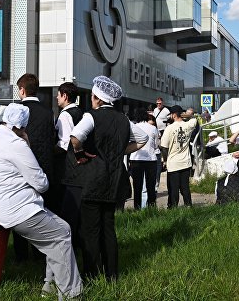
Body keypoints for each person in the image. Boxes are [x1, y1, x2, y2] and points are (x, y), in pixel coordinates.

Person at [0, 104, 83, 299]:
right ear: (21, 127)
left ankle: (50, 286)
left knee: (64, 228)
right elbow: (41, 183)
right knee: (60, 237)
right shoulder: (16, 145)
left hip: (0, 205)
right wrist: (27, 145)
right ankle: (71, 294)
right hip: (17, 208)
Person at [67, 76, 148, 280]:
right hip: (115, 180)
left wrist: (80, 153)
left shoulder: (91, 116)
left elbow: (75, 138)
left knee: (90, 230)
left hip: (94, 179)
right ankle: (112, 274)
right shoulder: (124, 119)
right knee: (108, 228)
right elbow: (142, 139)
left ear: (96, 98)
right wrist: (120, 151)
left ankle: (92, 275)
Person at [16, 73, 56, 262]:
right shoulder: (48, 112)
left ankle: (21, 255)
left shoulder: (16, 110)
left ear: (22, 90)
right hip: (44, 169)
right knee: (40, 213)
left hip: (20, 170)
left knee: (20, 212)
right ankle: (40, 254)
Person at [54, 82, 84, 246]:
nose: (57, 98)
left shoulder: (65, 115)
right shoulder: (80, 112)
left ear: (65, 95)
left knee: (68, 210)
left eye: (58, 94)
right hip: (80, 166)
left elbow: (64, 144)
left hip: (68, 167)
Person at [160, 105, 199, 208]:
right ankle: (188, 206)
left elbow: (164, 147)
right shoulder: (188, 126)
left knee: (173, 189)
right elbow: (194, 118)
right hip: (186, 162)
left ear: (173, 115)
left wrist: (165, 160)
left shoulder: (169, 128)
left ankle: (173, 208)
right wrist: (185, 114)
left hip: (173, 163)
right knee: (185, 188)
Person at [129, 108, 158, 209]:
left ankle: (137, 208)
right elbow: (156, 145)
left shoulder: (133, 127)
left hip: (136, 159)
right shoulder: (153, 128)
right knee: (151, 186)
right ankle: (151, 208)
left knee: (137, 186)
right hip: (151, 159)